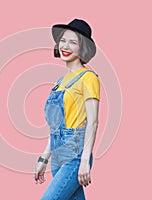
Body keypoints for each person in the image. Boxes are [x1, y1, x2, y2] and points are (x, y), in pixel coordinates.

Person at [34, 18, 100, 200]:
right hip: (57, 154)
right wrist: (43, 158)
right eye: (63, 40)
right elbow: (55, 128)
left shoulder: (88, 78)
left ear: (83, 47)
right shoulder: (59, 83)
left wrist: (85, 160)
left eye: (73, 42)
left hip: (75, 153)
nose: (65, 46)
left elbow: (93, 123)